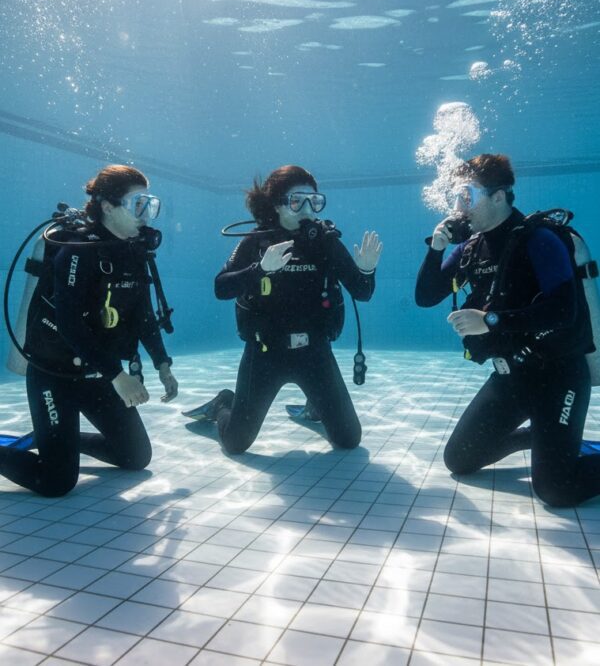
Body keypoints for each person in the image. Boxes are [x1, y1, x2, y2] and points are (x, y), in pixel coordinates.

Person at [415, 153, 600, 507]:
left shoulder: (539, 239)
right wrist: (436, 248)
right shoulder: (471, 249)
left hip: (558, 375)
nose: (459, 207)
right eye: (456, 197)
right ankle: (538, 437)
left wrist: (490, 321)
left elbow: (564, 310)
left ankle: (554, 440)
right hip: (510, 378)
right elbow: (426, 296)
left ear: (499, 196)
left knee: (556, 488)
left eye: (467, 196)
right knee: (460, 460)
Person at [0, 165, 178, 497]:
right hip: (54, 375)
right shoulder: (77, 251)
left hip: (97, 376)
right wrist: (118, 376)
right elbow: (69, 324)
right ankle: (56, 444)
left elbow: (141, 315)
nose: (146, 215)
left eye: (150, 205)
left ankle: (56, 439)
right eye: (137, 204)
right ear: (108, 206)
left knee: (136, 456)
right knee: (56, 482)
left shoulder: (134, 252)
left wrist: (162, 364)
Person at [190, 165, 382, 454]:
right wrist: (260, 269)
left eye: (314, 202)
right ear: (277, 205)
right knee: (235, 443)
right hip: (265, 354)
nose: (308, 209)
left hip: (315, 352)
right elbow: (221, 288)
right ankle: (223, 404)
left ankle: (314, 405)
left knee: (348, 439)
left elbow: (362, 292)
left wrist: (367, 270)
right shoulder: (257, 242)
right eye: (297, 201)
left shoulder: (327, 243)